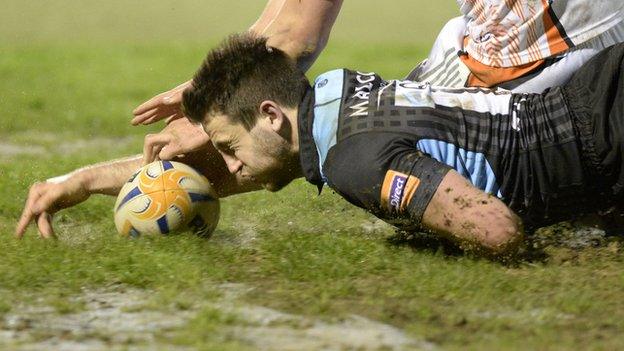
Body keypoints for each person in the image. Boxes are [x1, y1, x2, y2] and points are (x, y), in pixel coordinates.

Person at [19, 34, 624, 259]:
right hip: (597, 96)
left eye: (228, 146)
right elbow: (261, 165)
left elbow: (498, 229)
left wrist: (419, 235)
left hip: (606, 138)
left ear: (269, 116)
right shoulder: (334, 90)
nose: (227, 169)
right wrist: (85, 181)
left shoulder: (351, 161)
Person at [134, 0, 623, 162]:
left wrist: (217, 121)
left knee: (411, 144)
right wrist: (212, 96)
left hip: (560, 25)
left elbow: (294, 33)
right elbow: (283, 19)